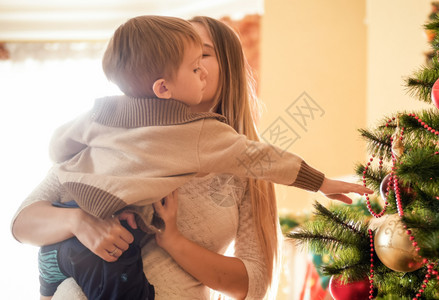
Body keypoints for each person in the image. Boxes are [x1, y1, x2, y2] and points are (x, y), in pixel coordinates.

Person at [12, 15, 373, 299]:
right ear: (161, 81)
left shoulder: (238, 158)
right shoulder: (113, 129)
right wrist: (80, 222)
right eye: (186, 56)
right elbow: (23, 222)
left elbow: (255, 283)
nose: (195, 64)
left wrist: (175, 242)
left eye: (203, 53)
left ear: (227, 68)